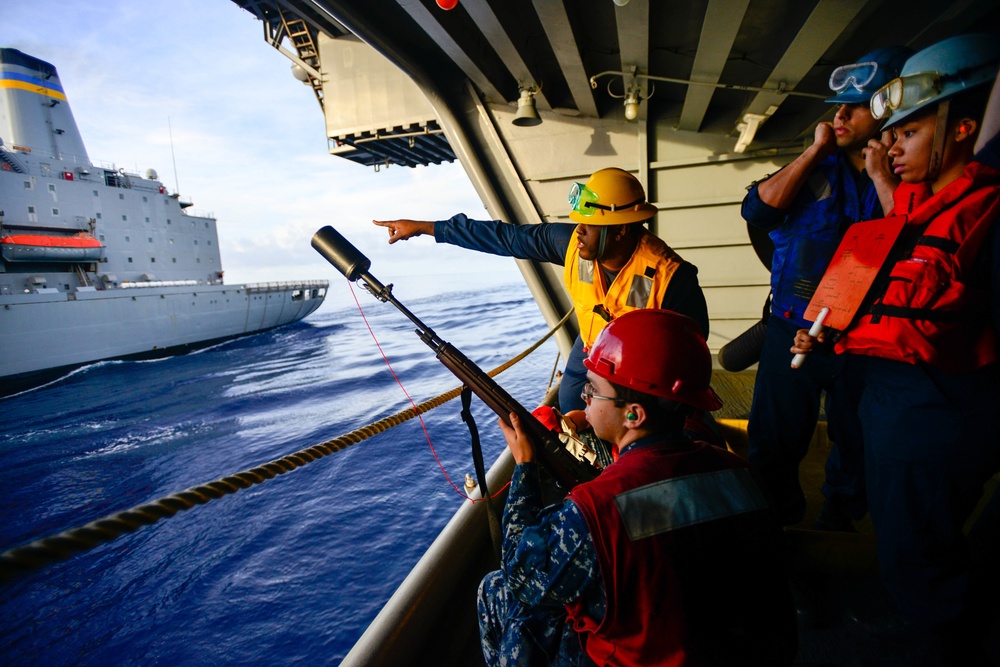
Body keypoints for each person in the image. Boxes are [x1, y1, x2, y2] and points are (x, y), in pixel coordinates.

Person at [793, 34, 1000, 663]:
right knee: (906, 538)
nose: (890, 146)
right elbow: (892, 280)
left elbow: (934, 323)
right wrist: (831, 334)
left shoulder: (983, 211)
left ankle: (939, 640)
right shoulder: (925, 207)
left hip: (933, 410)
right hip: (895, 404)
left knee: (921, 550)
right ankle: (920, 614)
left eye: (907, 133)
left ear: (962, 128)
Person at [477, 309, 797, 666]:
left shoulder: (595, 507)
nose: (584, 399)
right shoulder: (740, 471)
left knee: (498, 590)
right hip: (744, 650)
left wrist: (524, 467)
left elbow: (521, 576)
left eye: (592, 390)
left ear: (634, 415)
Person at [373, 167, 708, 415]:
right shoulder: (574, 245)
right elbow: (507, 237)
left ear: (621, 229)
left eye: (589, 224)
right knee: (569, 400)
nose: (579, 231)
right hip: (592, 345)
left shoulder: (672, 279)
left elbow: (688, 365)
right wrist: (426, 228)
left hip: (639, 371)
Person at [740, 46, 912, 528]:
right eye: (839, 105)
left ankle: (840, 519)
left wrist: (880, 176)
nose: (840, 114)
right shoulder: (816, 165)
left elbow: (912, 239)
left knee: (856, 437)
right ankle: (779, 522)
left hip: (860, 337)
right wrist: (815, 150)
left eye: (855, 107)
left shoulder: (903, 171)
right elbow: (757, 211)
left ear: (887, 109)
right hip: (789, 326)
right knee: (772, 439)